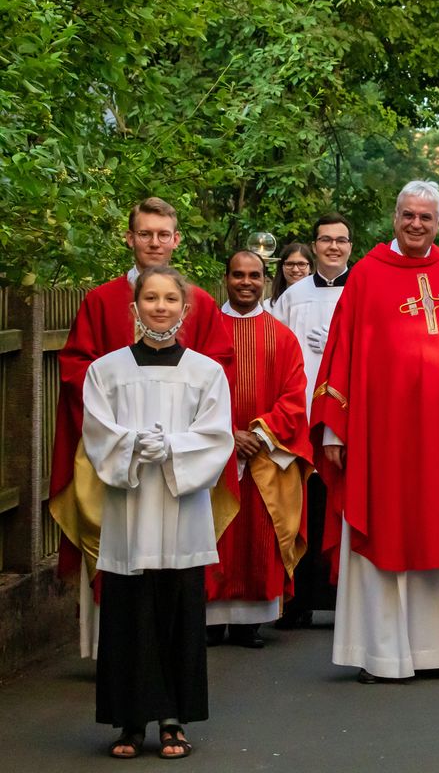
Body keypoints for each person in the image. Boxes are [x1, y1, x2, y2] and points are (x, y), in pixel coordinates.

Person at [310, 181, 439, 683]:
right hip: (381, 440)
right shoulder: (367, 275)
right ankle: (382, 654)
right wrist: (335, 431)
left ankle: (434, 653)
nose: (417, 224)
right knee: (384, 530)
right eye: (408, 215)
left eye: (427, 218)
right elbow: (342, 352)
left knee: (438, 534)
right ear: (395, 217)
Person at [49, 197, 234, 660]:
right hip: (114, 458)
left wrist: (179, 440)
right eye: (145, 233)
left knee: (176, 573)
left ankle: (172, 675)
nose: (155, 242)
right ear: (130, 238)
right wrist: (116, 431)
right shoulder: (100, 300)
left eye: (163, 233)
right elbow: (76, 368)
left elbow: (219, 367)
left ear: (176, 239)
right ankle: (111, 661)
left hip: (181, 466)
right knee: (120, 561)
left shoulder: (201, 302)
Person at [82, 266, 234, 759]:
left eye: (171, 298)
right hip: (128, 511)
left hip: (181, 508)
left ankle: (173, 719)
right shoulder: (105, 371)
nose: (161, 307)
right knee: (128, 613)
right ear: (135, 308)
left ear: (185, 309)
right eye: (150, 298)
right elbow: (98, 434)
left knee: (177, 614)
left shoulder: (206, 372)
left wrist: (171, 446)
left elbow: (216, 438)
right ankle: (129, 722)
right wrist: (131, 444)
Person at [205, 251, 312, 648]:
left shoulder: (282, 335)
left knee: (260, 534)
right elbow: (192, 392)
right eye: (237, 274)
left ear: (266, 281)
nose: (245, 282)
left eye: (254, 275)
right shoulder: (205, 332)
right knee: (216, 534)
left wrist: (260, 435)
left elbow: (293, 395)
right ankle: (211, 621)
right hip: (215, 453)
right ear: (226, 278)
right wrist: (229, 434)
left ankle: (251, 623)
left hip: (266, 454)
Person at [271, 213, 352, 629]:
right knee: (303, 509)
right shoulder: (292, 297)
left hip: (349, 418)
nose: (333, 247)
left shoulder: (363, 290)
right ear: (314, 245)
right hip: (303, 416)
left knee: (344, 507)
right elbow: (277, 354)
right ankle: (298, 600)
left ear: (350, 247)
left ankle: (347, 600)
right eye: (325, 240)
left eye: (341, 240)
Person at [266, 242, 315, 315]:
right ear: (281, 267)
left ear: (310, 268)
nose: (295, 270)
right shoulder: (268, 307)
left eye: (301, 264)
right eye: (289, 264)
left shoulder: (318, 303)